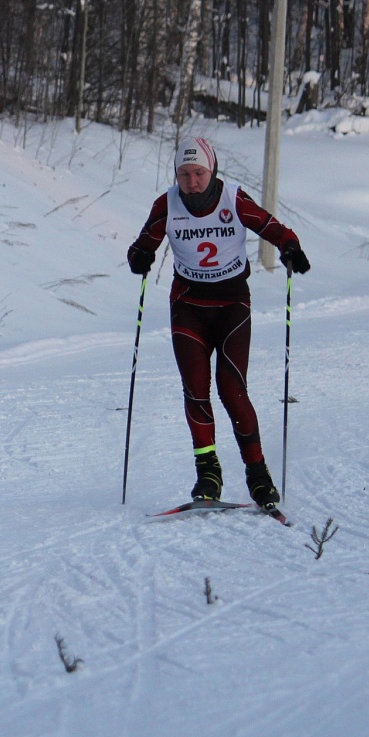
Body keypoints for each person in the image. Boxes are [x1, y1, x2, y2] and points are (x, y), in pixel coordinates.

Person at [126, 136, 309, 510]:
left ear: (212, 171)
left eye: (199, 173)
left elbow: (271, 226)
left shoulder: (233, 199)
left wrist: (290, 246)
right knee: (195, 388)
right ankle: (208, 472)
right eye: (184, 174)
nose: (192, 183)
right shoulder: (167, 204)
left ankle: (257, 473)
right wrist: (140, 255)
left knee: (231, 389)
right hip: (188, 307)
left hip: (231, 306)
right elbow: (145, 241)